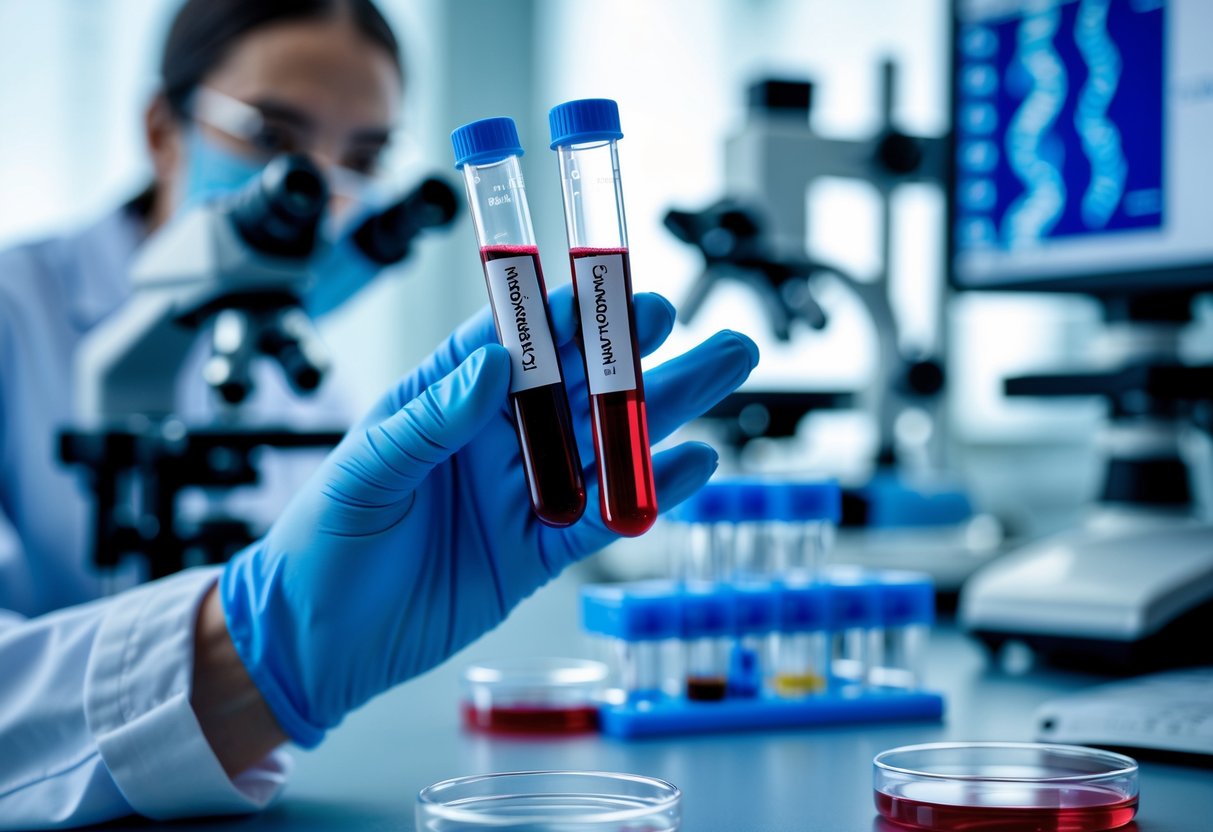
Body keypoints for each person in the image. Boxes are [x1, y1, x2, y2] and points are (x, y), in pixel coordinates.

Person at [0, 1, 760, 828]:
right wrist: (256, 655)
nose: (325, 192)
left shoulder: (301, 366)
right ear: (160, 126)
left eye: (362, 157)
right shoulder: (15, 312)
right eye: (273, 140)